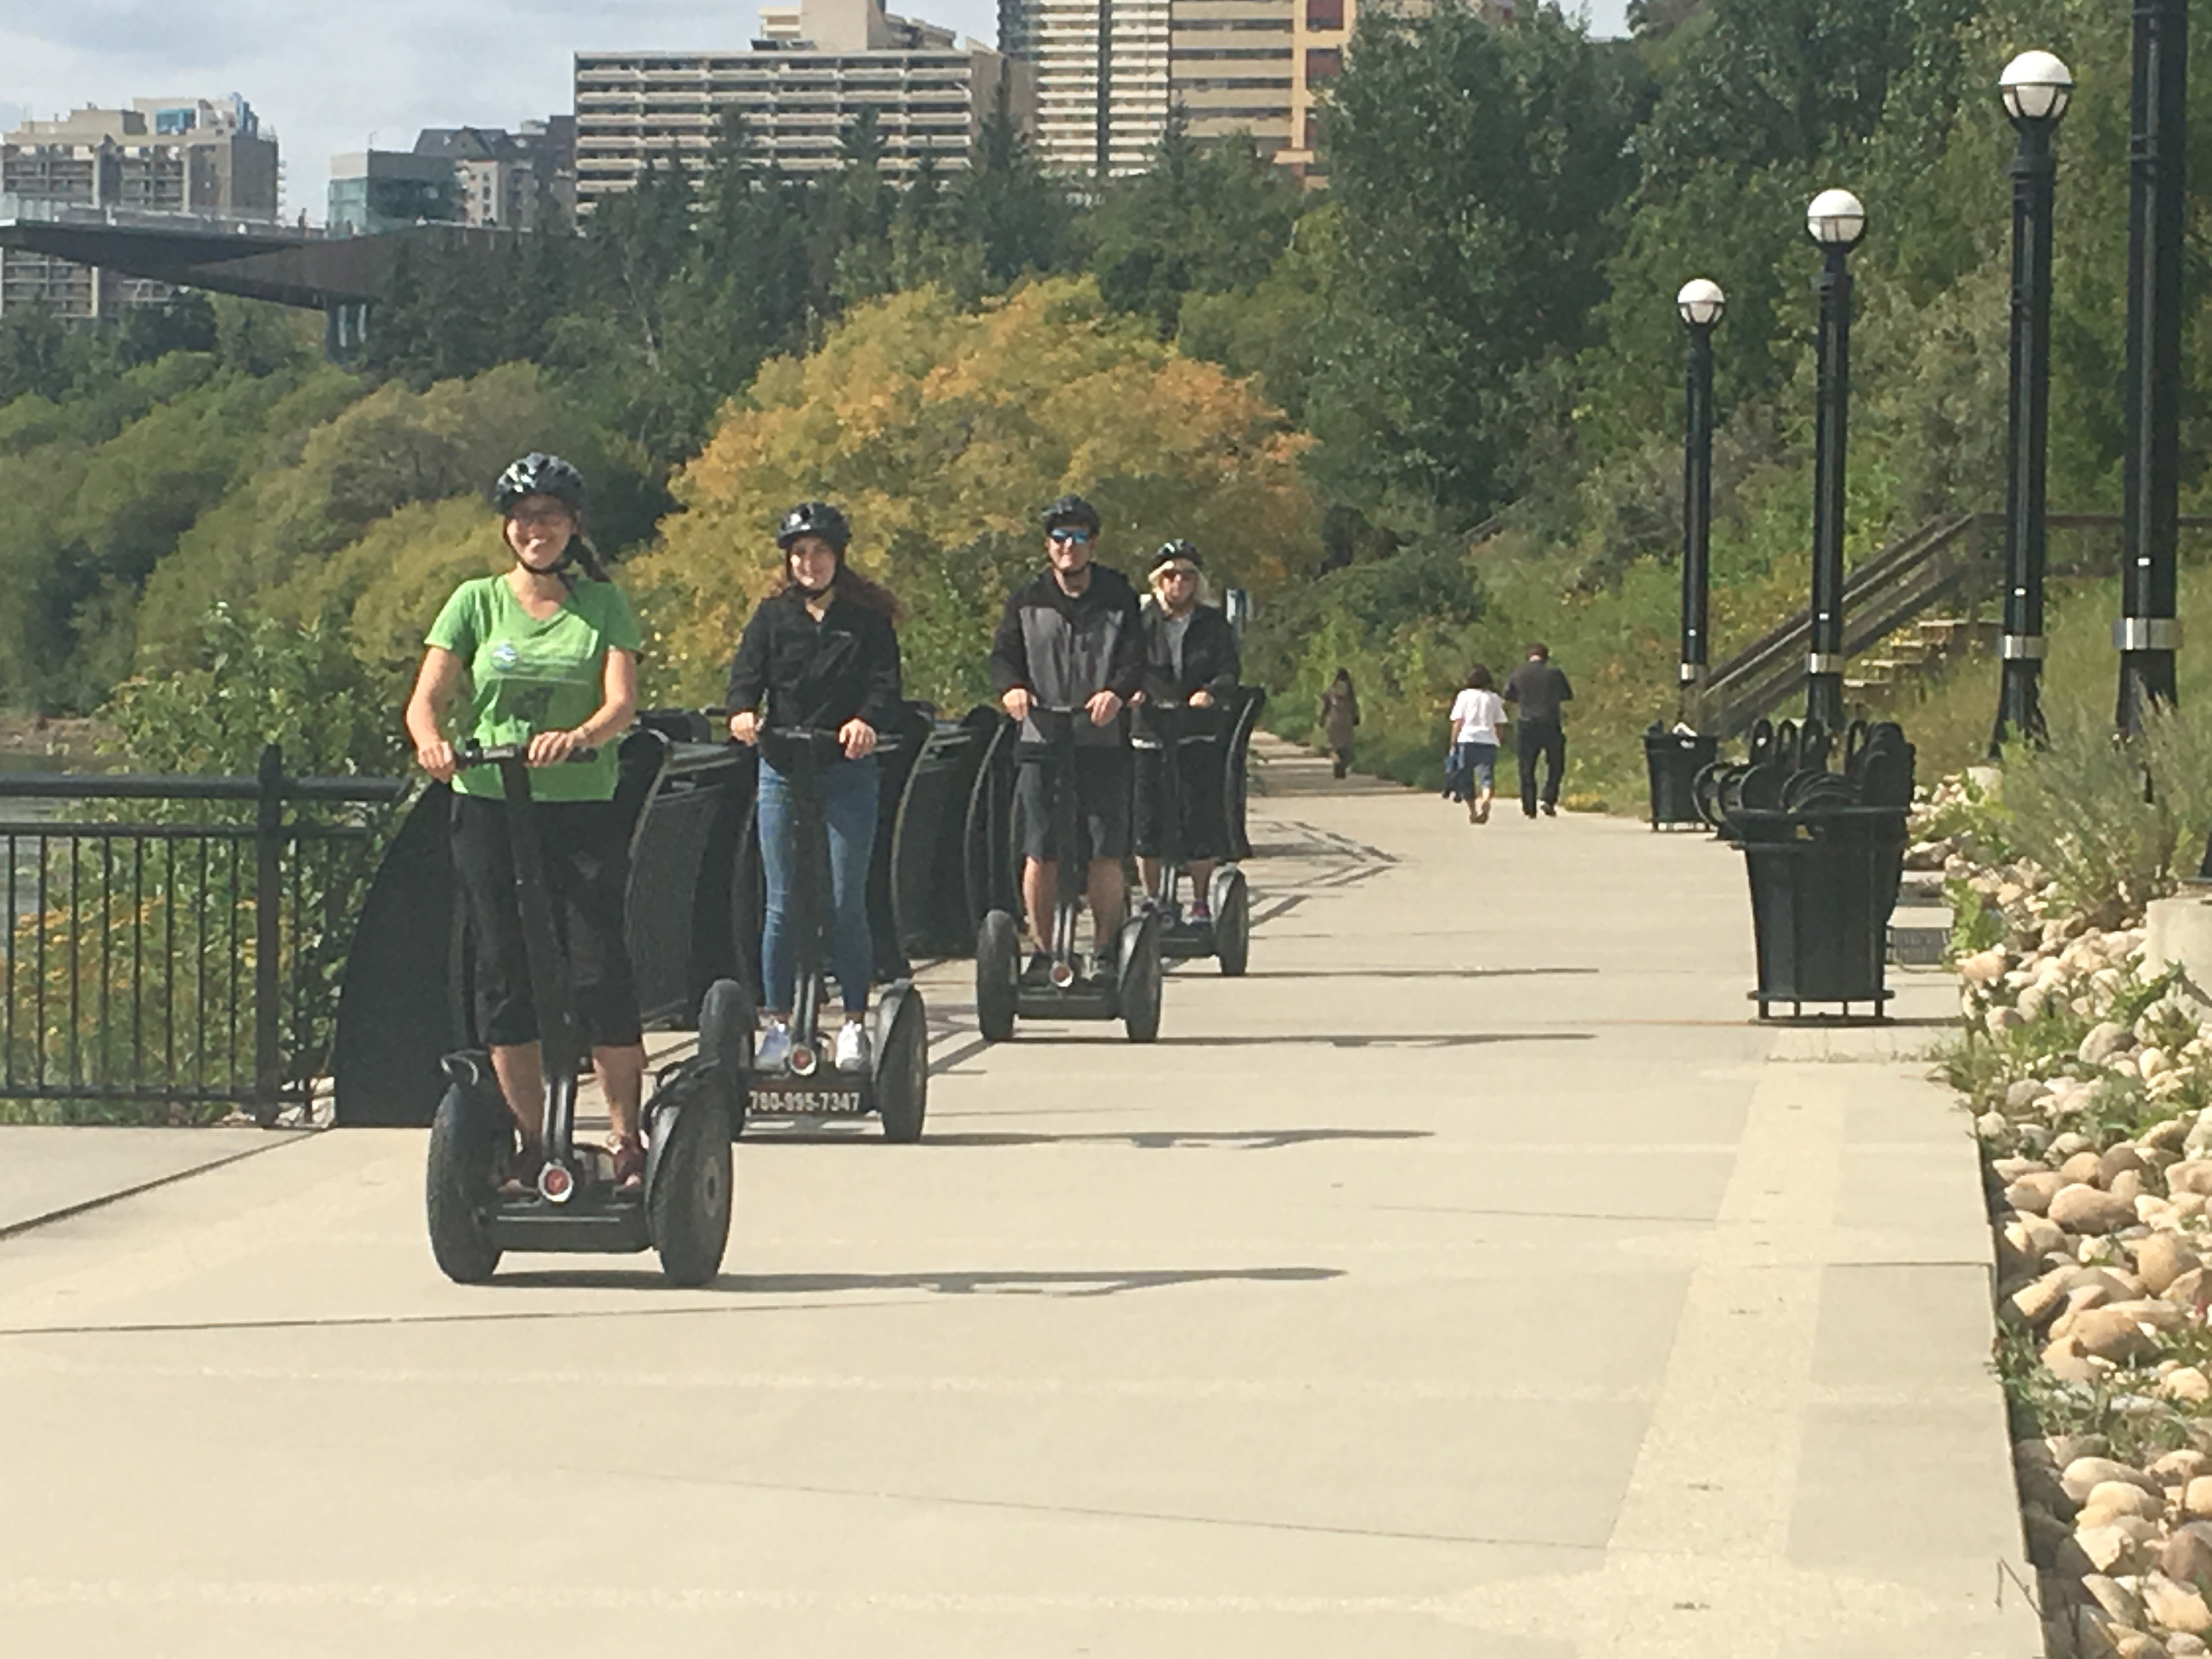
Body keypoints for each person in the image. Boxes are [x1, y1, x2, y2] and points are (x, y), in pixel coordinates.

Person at [404, 453, 647, 1194]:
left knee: (597, 967)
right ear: (508, 528)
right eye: (524, 518)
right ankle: (533, 1143)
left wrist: (580, 737)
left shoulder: (602, 604)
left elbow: (621, 703)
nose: (536, 530)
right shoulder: (475, 602)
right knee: (503, 971)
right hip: (489, 803)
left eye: (550, 517)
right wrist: (432, 744)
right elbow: (425, 700)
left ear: (573, 527)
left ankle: (626, 1138)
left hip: (580, 804)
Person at [725, 502, 904, 1074]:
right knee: (782, 902)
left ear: (838, 557)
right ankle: (778, 1025)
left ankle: (853, 1023)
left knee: (845, 899)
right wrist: (742, 713)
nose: (809, 563)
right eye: (800, 554)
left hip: (845, 767)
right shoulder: (772, 617)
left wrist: (866, 722)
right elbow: (745, 679)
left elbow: (886, 687)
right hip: (782, 766)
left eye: (820, 552)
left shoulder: (866, 621)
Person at [989, 494, 1146, 980]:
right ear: (1048, 545)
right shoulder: (1027, 600)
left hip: (1099, 739)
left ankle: (1103, 952)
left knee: (1104, 851)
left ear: (1092, 544)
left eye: (1078, 537)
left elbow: (1135, 657)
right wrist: (1012, 688)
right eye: (1060, 537)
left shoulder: (1118, 597)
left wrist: (1115, 693)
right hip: (1041, 738)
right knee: (1041, 851)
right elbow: (1003, 657)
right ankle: (1043, 952)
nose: (1068, 546)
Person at [1133, 540, 1241, 918]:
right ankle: (1153, 899)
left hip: (1196, 731)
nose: (1179, 582)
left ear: (1198, 581)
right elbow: (1125, 665)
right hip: (1150, 729)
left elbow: (1229, 670)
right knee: (1148, 820)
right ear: (1158, 580)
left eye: (1188, 575)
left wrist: (1210, 692)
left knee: (1198, 817)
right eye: (1171, 575)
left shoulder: (1212, 624)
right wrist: (1133, 691)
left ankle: (1199, 901)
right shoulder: (1140, 622)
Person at [1504, 642, 1574, 818]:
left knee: (1526, 766)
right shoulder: (1554, 674)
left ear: (1528, 657)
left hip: (1527, 723)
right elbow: (1567, 695)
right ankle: (1549, 798)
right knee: (1556, 763)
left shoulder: (1518, 673)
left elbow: (1509, 695)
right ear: (1546, 657)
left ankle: (1529, 806)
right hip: (1550, 722)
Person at [1445, 664, 1507, 826]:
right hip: (1488, 741)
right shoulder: (1494, 698)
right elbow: (1499, 723)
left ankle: (1473, 811)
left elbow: (1458, 722)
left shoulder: (1464, 696)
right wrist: (1498, 740)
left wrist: (1453, 742)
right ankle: (1486, 801)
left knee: (1466, 777)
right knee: (1487, 777)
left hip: (1467, 740)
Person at [1319, 669, 1359, 779]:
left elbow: (1325, 706)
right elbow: (1354, 706)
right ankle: (1343, 767)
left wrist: (1322, 720)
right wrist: (1356, 718)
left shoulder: (1331, 691)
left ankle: (1337, 764)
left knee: (1334, 746)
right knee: (1346, 746)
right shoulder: (1351, 692)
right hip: (1346, 722)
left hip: (1334, 721)